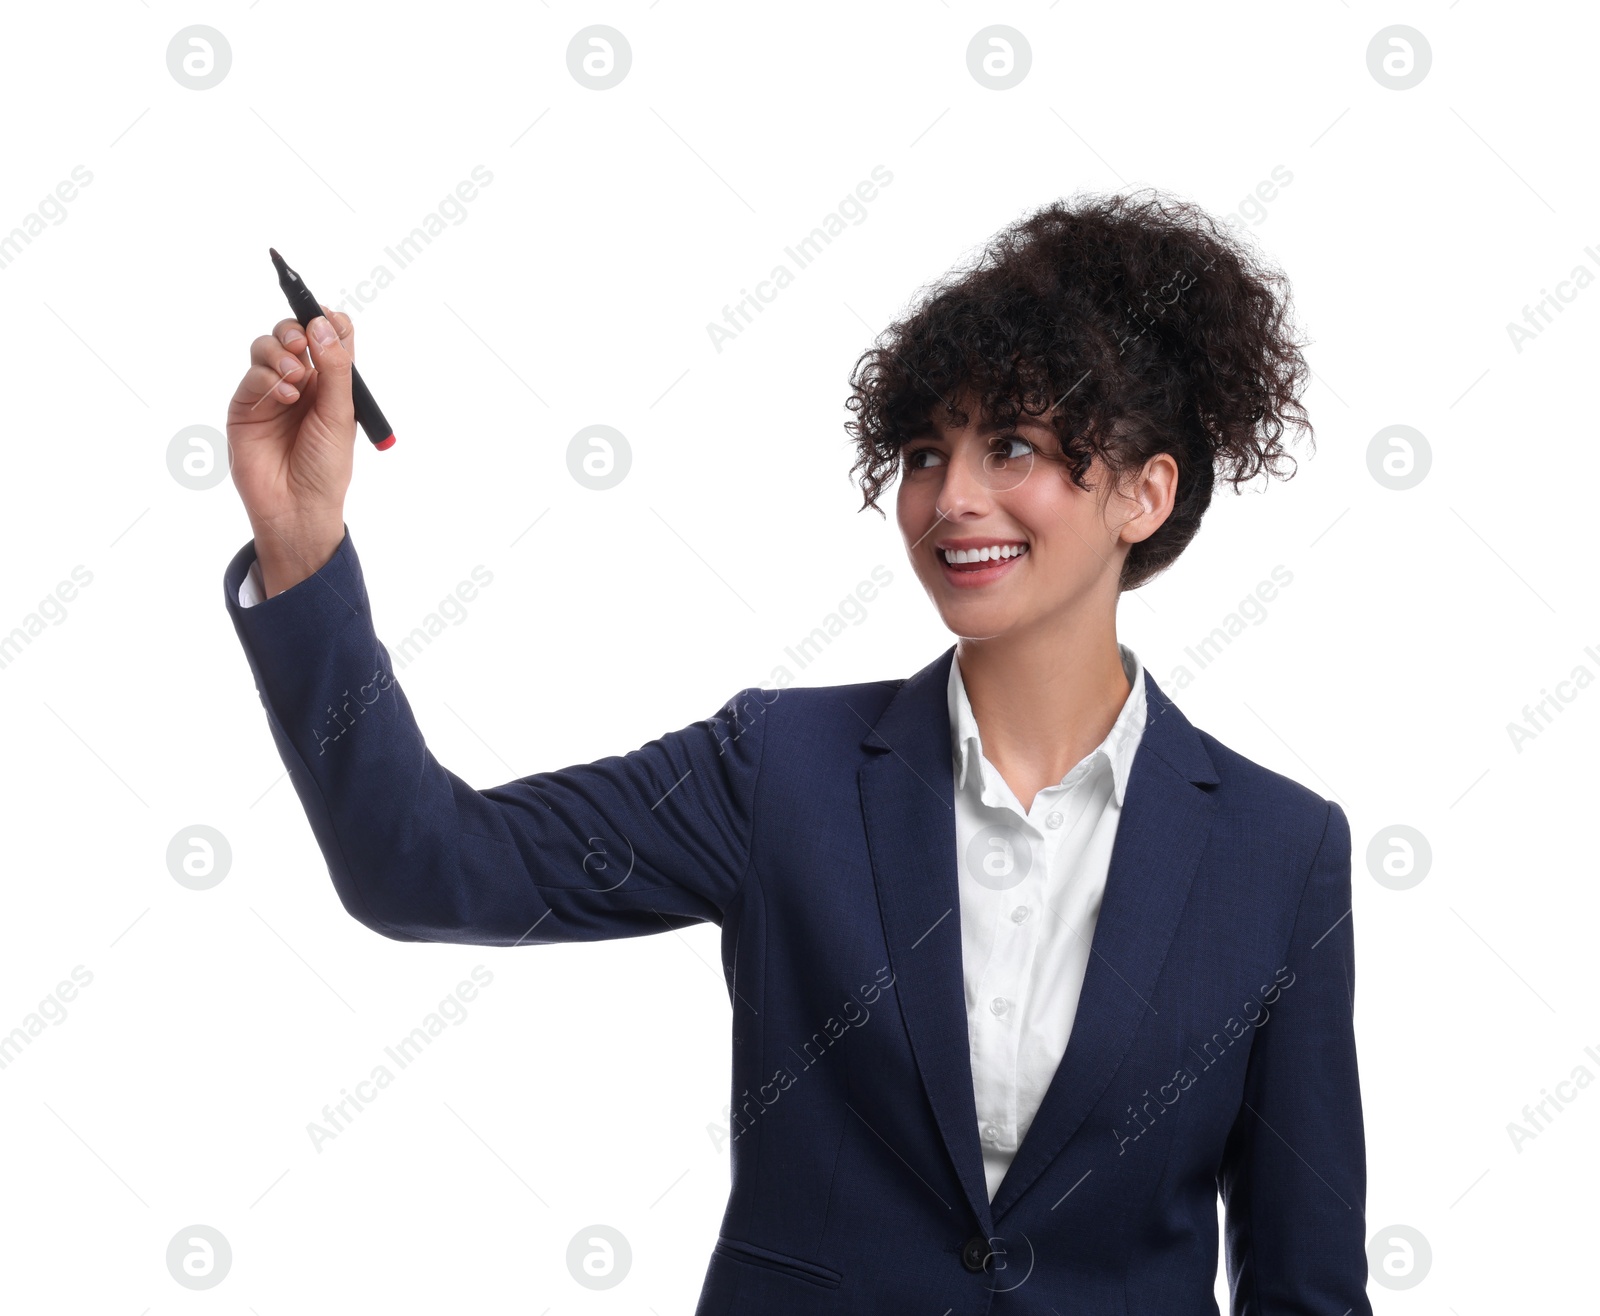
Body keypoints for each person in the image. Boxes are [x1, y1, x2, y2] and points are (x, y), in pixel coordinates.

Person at [222, 190, 1370, 1314]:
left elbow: (1304, 1282)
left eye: (1011, 446)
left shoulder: (1279, 850)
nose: (951, 499)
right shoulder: (783, 767)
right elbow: (424, 863)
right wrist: (301, 537)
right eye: (925, 453)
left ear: (1142, 492)